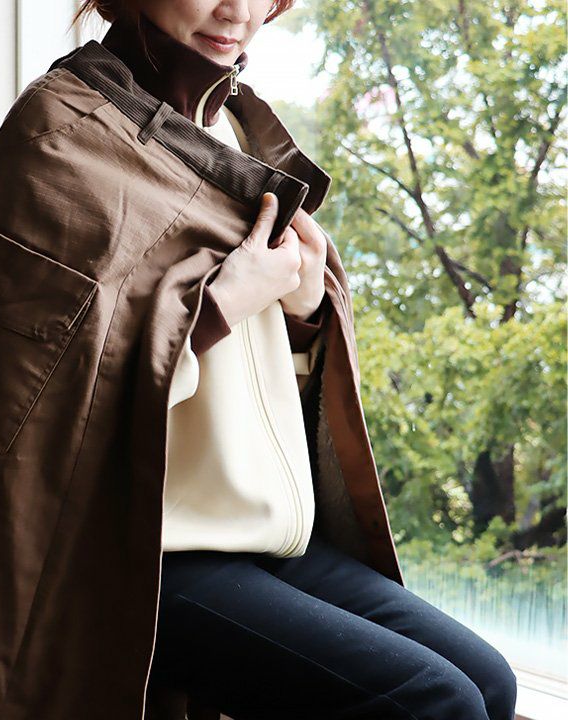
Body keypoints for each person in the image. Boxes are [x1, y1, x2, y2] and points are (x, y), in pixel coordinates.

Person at [71, 1, 520, 718]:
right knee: (437, 702)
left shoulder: (237, 125)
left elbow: (254, 376)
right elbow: (50, 388)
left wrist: (302, 313)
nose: (238, 10)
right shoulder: (72, 132)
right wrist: (222, 304)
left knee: (491, 682)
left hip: (268, 532)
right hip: (152, 550)